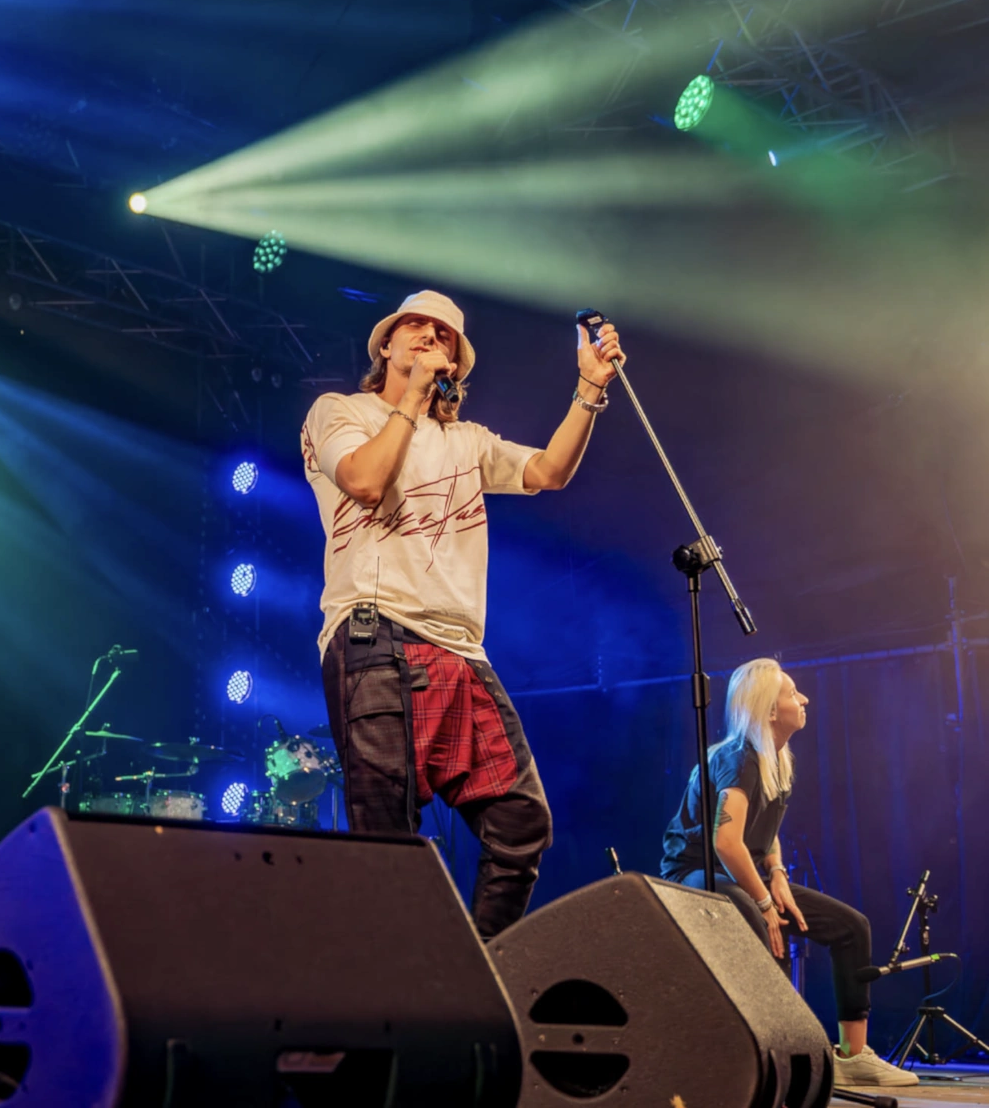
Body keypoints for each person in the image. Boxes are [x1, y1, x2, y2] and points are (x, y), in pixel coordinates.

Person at [301, 290, 621, 938]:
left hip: (462, 652)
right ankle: (401, 987)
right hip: (374, 634)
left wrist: (589, 388)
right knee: (389, 844)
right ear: (385, 344)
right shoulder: (341, 411)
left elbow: (549, 472)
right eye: (414, 326)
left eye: (442, 333)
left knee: (522, 821)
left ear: (455, 360)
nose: (428, 335)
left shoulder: (466, 441)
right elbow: (364, 481)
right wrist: (412, 401)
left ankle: (479, 967)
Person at [660, 659, 918, 1089]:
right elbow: (726, 843)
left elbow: (765, 830)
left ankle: (853, 1056)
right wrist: (763, 901)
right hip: (694, 872)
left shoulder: (776, 758)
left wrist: (776, 872)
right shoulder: (738, 758)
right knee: (763, 923)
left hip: (739, 870)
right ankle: (776, 1059)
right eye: (793, 694)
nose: (804, 700)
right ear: (769, 710)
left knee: (851, 927)